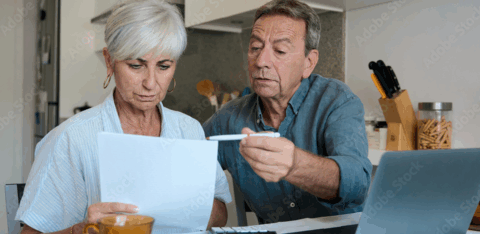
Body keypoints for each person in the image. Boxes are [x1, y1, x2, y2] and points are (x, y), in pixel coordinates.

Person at [16, 0, 231, 233]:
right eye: (136, 65)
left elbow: (220, 212)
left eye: (163, 66)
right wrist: (81, 230)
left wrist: (191, 209)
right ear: (110, 61)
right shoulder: (70, 139)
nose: (150, 83)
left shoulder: (189, 130)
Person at [203, 0, 372, 224]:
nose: (261, 61)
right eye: (255, 48)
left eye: (280, 50)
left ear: (308, 63)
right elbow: (184, 158)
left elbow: (357, 183)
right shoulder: (229, 117)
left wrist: (295, 164)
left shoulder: (337, 101)